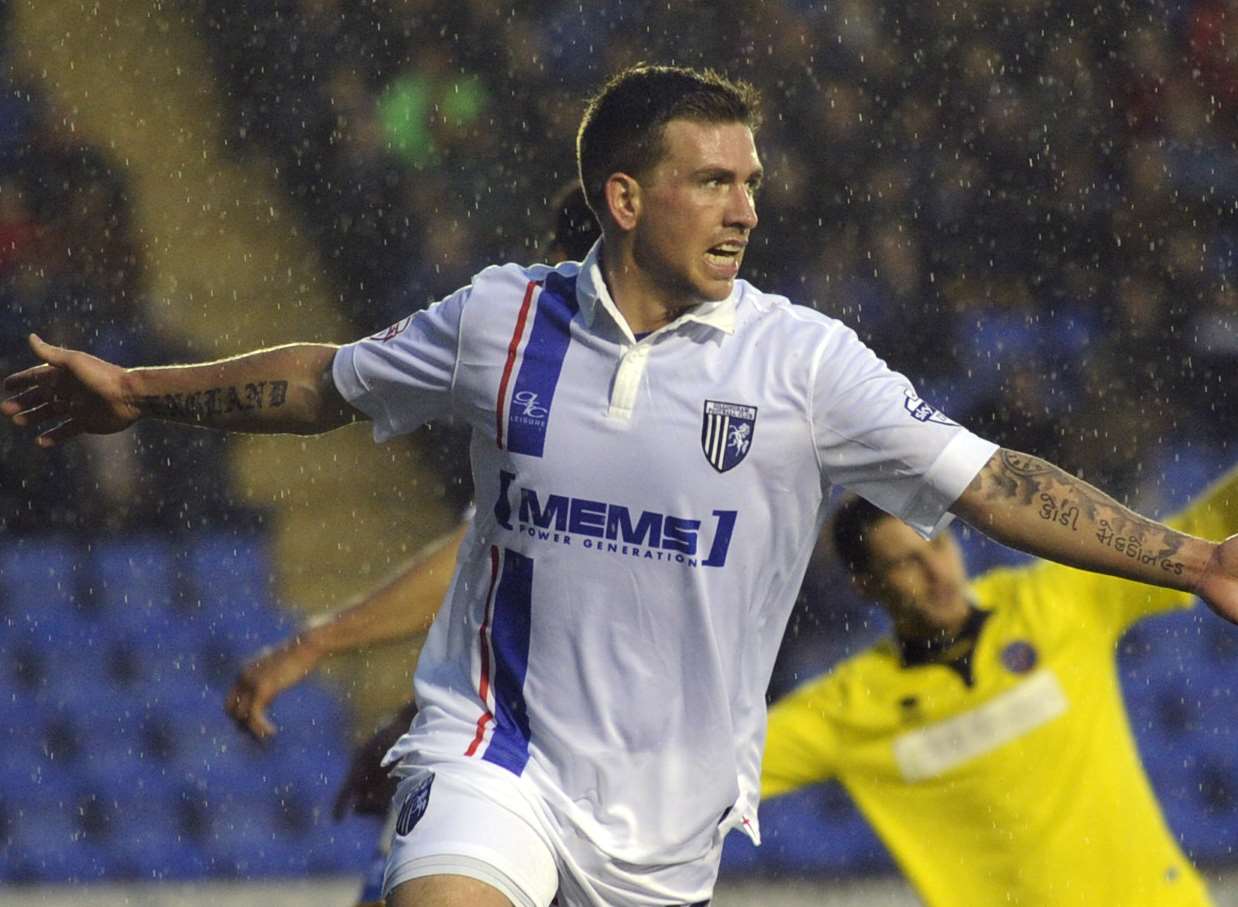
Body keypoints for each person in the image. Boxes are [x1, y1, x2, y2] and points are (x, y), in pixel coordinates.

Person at [3, 65, 1236, 907]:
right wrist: (141, 391)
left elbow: (987, 480)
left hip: (663, 823)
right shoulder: (497, 320)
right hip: (496, 752)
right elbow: (327, 384)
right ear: (624, 197)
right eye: (715, 181)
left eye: (752, 182)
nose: (746, 208)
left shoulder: (801, 361)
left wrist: (1186, 560)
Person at [225, 182, 601, 907]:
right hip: (516, 760)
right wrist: (413, 721)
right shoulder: (553, 387)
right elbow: (485, 558)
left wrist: (318, 644)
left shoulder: (654, 403)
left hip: (596, 785)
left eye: (555, 272)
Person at [762, 467, 1237, 907]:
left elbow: (1202, 531)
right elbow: (715, 770)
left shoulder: (1052, 604)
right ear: (865, 584)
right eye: (907, 563)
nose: (937, 573)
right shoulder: (847, 709)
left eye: (939, 545)